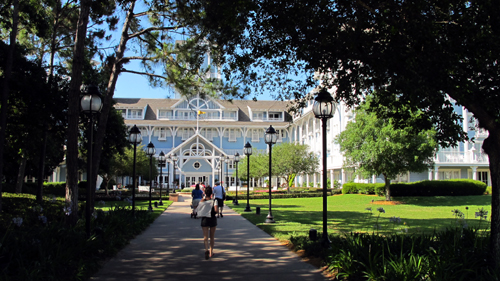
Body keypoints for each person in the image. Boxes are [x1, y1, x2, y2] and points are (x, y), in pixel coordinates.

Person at [196, 186, 218, 259]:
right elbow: (216, 210)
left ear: (205, 193)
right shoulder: (214, 201)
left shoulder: (202, 201)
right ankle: (211, 252)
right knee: (212, 237)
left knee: (205, 237)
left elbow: (198, 209)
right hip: (212, 219)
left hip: (204, 219)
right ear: (211, 193)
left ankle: (206, 250)